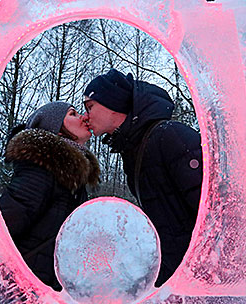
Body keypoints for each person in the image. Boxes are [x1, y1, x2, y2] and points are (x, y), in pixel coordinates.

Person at [83, 69, 203, 287]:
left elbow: (215, 211)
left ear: (113, 104)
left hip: (202, 280)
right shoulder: (134, 150)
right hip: (176, 280)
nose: (85, 116)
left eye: (90, 106)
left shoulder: (169, 135)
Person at [0, 101, 100, 290]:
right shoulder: (41, 169)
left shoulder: (71, 176)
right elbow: (4, 226)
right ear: (56, 129)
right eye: (73, 114)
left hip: (46, 287)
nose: (83, 117)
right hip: (24, 288)